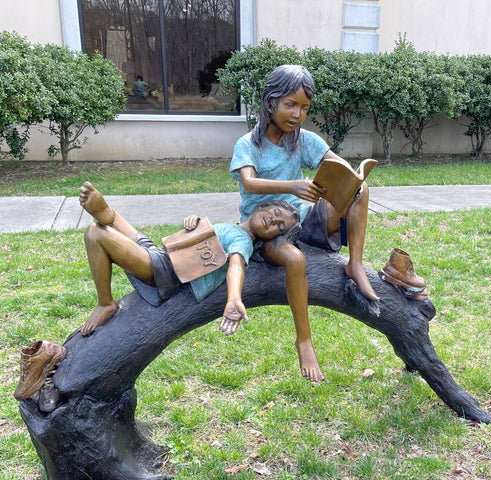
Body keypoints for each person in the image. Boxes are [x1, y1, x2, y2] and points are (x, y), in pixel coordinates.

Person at [230, 64, 379, 383]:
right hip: (267, 230)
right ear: (269, 102)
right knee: (294, 260)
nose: (297, 114)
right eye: (290, 104)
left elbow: (334, 163)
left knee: (360, 189)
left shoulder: (304, 140)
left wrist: (349, 177)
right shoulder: (248, 145)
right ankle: (304, 341)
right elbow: (250, 183)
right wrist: (292, 185)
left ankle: (355, 264)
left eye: (304, 107)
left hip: (304, 222)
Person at [77, 181, 299, 337]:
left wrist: (234, 298)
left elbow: (236, 266)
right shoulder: (232, 228)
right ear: (263, 207)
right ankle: (110, 216)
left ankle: (106, 302)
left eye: (280, 228)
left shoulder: (243, 242)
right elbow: (204, 240)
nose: (273, 222)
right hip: (162, 254)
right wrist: (195, 221)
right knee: (116, 226)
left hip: (166, 272)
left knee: (95, 232)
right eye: (276, 214)